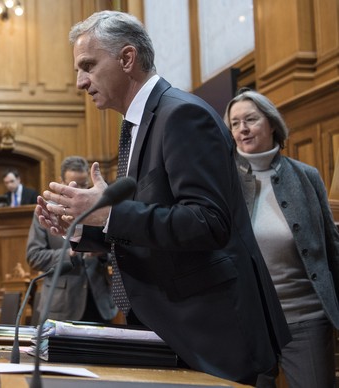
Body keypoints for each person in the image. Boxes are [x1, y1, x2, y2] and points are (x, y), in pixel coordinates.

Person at [35, 10, 290, 386]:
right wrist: (80, 228)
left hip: (212, 336)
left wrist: (107, 214)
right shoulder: (138, 125)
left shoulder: (182, 115)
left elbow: (208, 222)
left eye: (88, 66)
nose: (79, 82)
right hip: (169, 331)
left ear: (126, 59)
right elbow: (151, 225)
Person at [224, 88, 339, 387]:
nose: (243, 129)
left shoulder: (306, 176)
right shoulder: (225, 184)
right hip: (248, 324)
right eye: (235, 124)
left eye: (250, 119)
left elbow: (331, 247)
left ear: (272, 123)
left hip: (306, 318)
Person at [27, 156, 117, 323]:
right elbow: (34, 256)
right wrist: (70, 253)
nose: (79, 190)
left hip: (99, 302)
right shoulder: (47, 210)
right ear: (61, 181)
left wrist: (102, 254)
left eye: (84, 185)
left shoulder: (99, 208)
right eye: (73, 184)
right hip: (62, 306)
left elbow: (118, 247)